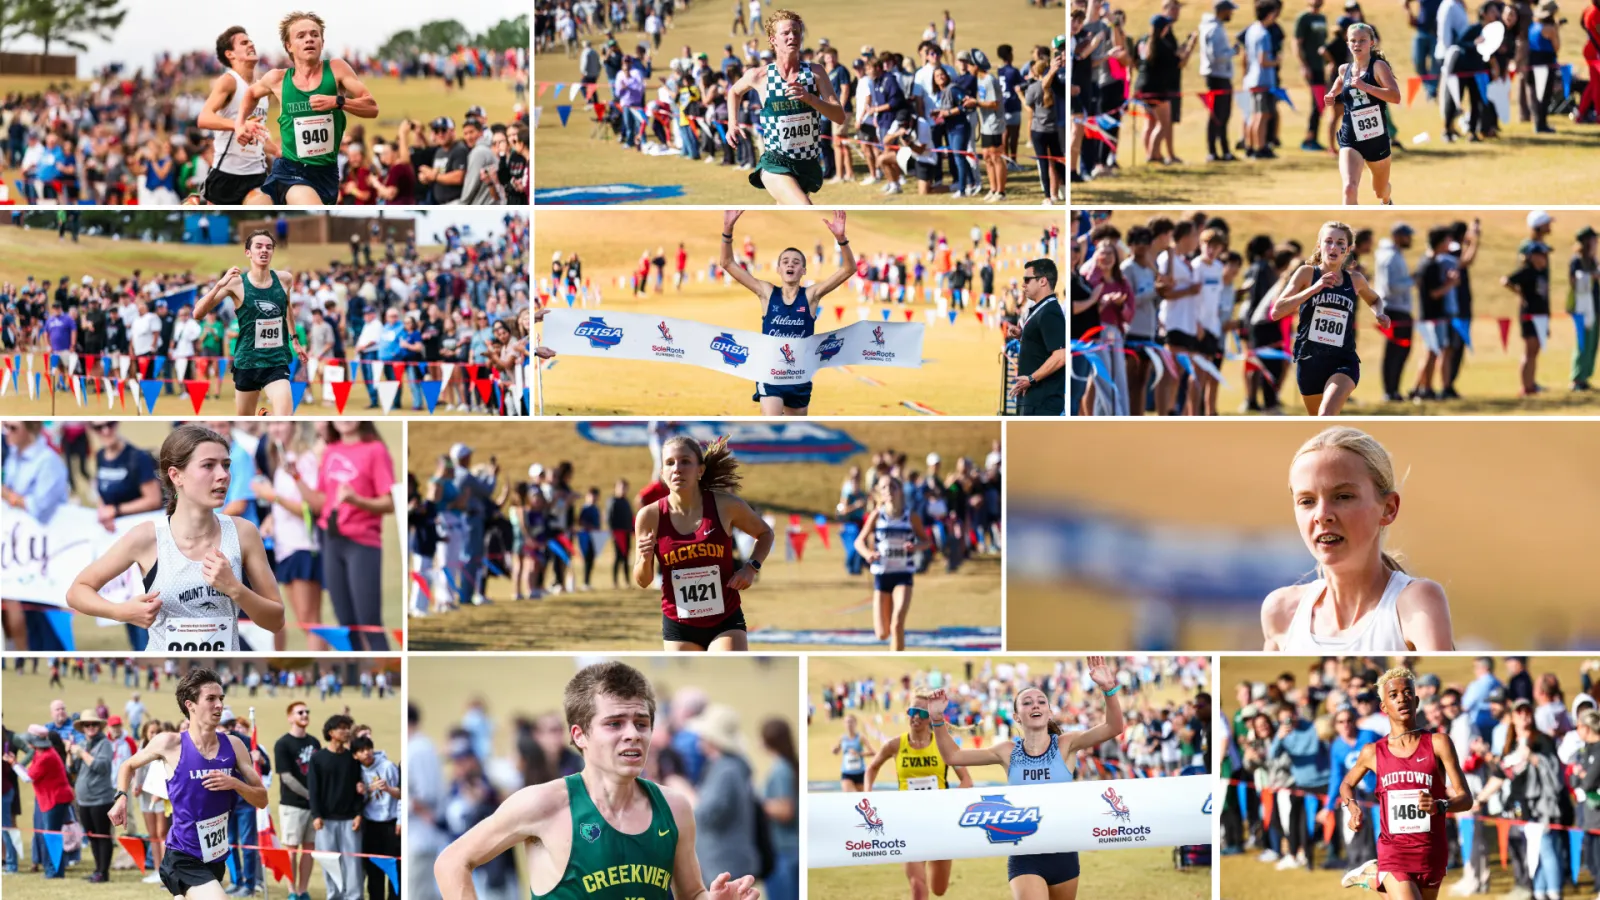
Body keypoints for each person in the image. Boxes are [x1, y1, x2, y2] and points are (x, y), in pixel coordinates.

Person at [432, 661, 762, 900]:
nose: (633, 734)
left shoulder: (674, 807)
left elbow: (691, 894)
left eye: (641, 722)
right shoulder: (544, 804)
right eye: (615, 723)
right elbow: (452, 862)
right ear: (580, 735)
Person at [66, 424, 286, 652]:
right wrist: (121, 611)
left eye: (226, 465)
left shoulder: (244, 533)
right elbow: (77, 591)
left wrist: (235, 589)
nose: (223, 475)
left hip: (221, 669)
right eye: (208, 465)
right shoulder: (147, 537)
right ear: (176, 475)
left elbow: (276, 621)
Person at [925, 657, 1127, 900]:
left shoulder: (1066, 744)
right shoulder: (1007, 751)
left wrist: (1108, 689)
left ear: (1049, 712)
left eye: (1042, 701)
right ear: (1017, 716)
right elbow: (953, 756)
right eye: (1028, 702)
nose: (1036, 705)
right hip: (1025, 854)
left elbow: (1114, 727)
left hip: (1064, 852)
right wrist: (937, 719)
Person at [1261, 426, 1455, 652]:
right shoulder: (1281, 612)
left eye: (1343, 496)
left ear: (1388, 508)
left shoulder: (1415, 603)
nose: (1322, 516)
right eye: (1307, 501)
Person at [109, 668, 270, 900]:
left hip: (215, 856)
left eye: (221, 699)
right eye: (211, 699)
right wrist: (121, 798)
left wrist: (235, 783)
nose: (219, 705)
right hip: (181, 855)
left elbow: (262, 799)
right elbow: (128, 766)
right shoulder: (170, 743)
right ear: (190, 705)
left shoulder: (234, 746)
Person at [1338, 667, 1475, 899]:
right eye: (1393, 695)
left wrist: (1440, 805)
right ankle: (1379, 873)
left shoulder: (1439, 743)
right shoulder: (1373, 752)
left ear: (1417, 700)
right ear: (1383, 707)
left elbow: (1466, 798)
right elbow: (1346, 784)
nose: (1402, 698)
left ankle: (1371, 876)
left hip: (1431, 850)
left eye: (1407, 692)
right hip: (1394, 850)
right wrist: (1353, 809)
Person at [633, 436, 775, 651]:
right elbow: (643, 581)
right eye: (669, 463)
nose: (677, 468)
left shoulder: (726, 505)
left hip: (725, 619)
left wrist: (750, 568)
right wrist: (644, 559)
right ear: (662, 473)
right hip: (678, 624)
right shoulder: (649, 516)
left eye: (685, 461)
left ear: (700, 470)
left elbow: (765, 533)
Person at [720, 209, 855, 416]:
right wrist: (727, 230)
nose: (790, 264)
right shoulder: (766, 293)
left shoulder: (811, 296)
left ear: (803, 271)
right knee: (772, 422)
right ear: (779, 270)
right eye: (785, 261)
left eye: (796, 262)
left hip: (799, 375)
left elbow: (848, 269)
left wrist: (841, 239)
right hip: (770, 372)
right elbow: (727, 263)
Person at [236, 12, 379, 205]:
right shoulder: (277, 79)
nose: (309, 39)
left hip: (324, 173)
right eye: (301, 36)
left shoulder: (336, 69)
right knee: (256, 204)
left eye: (314, 34)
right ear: (289, 46)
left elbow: (372, 107)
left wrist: (338, 102)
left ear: (322, 41)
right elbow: (251, 94)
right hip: (288, 169)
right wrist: (240, 124)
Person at [864, 688, 974, 900]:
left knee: (939, 889)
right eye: (913, 711)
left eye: (923, 713)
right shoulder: (895, 744)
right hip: (908, 821)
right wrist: (867, 795)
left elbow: (967, 780)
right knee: (917, 886)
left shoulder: (944, 745)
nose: (916, 717)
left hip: (941, 821)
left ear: (930, 717)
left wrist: (950, 802)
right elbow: (872, 767)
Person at [1270, 221, 1390, 415]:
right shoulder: (1306, 273)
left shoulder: (1355, 279)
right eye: (1328, 241)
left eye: (1340, 242)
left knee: (1325, 413)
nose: (1333, 247)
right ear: (1319, 245)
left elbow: (1375, 299)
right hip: (1309, 360)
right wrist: (1315, 288)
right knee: (1320, 421)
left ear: (1347, 249)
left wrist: (1380, 313)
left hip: (1343, 359)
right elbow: (1277, 311)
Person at [726, 10, 846, 204]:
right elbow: (734, 92)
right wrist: (733, 123)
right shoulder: (760, 76)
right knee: (805, 209)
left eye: (797, 32)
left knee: (790, 214)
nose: (792, 37)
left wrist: (810, 99)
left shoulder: (815, 73)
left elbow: (839, 116)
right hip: (776, 162)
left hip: (807, 163)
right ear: (773, 39)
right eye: (786, 33)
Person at [295, 422, 396, 651]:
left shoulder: (375, 450)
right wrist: (296, 477)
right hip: (331, 541)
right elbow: (321, 502)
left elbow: (389, 503)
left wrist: (356, 500)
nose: (345, 420)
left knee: (369, 624)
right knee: (346, 624)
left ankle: (391, 676)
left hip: (362, 544)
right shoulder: (332, 451)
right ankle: (363, 676)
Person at [192, 230, 309, 416]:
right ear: (248, 253)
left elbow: (287, 307)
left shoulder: (284, 279)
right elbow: (197, 313)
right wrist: (219, 285)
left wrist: (294, 340)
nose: (264, 250)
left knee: (285, 413)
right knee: (244, 417)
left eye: (269, 247)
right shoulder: (236, 283)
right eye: (259, 246)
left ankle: (267, 417)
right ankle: (263, 417)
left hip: (276, 360)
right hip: (247, 362)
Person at [853, 476, 934, 651]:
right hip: (882, 576)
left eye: (892, 487)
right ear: (879, 493)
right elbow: (858, 542)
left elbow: (927, 541)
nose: (888, 491)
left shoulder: (910, 516)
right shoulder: (876, 515)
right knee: (882, 634)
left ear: (900, 490)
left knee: (897, 624)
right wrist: (868, 553)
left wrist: (915, 546)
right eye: (884, 488)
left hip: (903, 575)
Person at [195, 27, 274, 204]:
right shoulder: (229, 81)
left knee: (263, 204)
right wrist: (238, 125)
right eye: (244, 42)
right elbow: (204, 118)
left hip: (257, 174)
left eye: (251, 41)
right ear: (230, 54)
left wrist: (277, 151)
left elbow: (256, 132)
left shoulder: (262, 88)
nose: (251, 44)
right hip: (226, 175)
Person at [1327, 23, 1399, 204]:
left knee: (1380, 191)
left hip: (1376, 138)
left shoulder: (1379, 67)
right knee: (1349, 188)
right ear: (1348, 44)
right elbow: (1340, 80)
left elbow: (1395, 97)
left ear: (1372, 43)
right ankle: (1351, 228)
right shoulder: (1345, 69)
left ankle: (1387, 200)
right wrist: (1332, 94)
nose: (1357, 44)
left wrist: (1365, 86)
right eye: (1353, 41)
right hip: (1350, 137)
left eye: (1362, 40)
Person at [308, 714, 364, 900]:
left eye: (348, 727)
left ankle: (354, 897)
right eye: (342, 727)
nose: (346, 731)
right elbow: (313, 790)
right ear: (331, 732)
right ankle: (334, 896)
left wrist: (358, 814)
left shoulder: (353, 759)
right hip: (325, 821)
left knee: (353, 863)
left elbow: (359, 788)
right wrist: (316, 815)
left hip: (350, 820)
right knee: (330, 862)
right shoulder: (318, 759)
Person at [1006, 258, 1066, 415]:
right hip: (1032, 399)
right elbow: (1043, 346)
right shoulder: (1041, 309)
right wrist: (1023, 336)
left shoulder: (1050, 311)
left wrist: (1031, 379)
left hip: (1042, 401)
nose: (1023, 284)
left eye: (1027, 279)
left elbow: (1060, 356)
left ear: (1043, 281)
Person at [274, 701, 321, 900]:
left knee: (309, 850)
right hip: (293, 805)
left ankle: (303, 890)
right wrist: (310, 794)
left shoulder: (314, 742)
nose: (304, 715)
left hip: (314, 807)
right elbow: (286, 777)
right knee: (291, 850)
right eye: (300, 712)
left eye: (307, 712)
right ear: (290, 717)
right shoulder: (283, 744)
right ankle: (292, 890)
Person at [352, 735, 401, 900]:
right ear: (355, 755)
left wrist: (387, 788)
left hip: (390, 824)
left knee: (395, 868)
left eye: (368, 749)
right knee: (374, 870)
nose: (366, 753)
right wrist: (365, 790)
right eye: (361, 751)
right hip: (371, 825)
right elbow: (359, 801)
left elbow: (401, 794)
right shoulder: (356, 771)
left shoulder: (387, 767)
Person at [832, 714, 875, 792]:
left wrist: (858, 754)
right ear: (844, 724)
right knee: (850, 796)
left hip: (860, 773)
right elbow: (837, 751)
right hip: (847, 773)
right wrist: (835, 750)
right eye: (847, 722)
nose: (849, 724)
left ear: (855, 723)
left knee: (860, 799)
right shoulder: (842, 738)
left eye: (851, 722)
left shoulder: (861, 737)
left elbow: (873, 752)